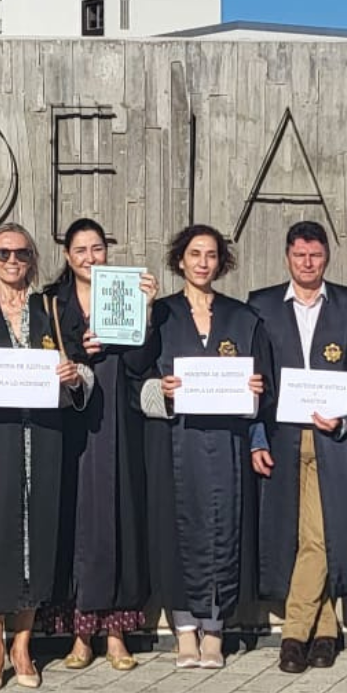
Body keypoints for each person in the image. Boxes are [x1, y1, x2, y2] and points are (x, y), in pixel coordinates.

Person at [0, 224, 91, 692]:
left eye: (23, 253)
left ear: (33, 259)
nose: (13, 261)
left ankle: (23, 645)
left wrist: (74, 378)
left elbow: (80, 370)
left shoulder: (51, 309)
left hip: (45, 438)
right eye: (4, 253)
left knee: (37, 541)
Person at [133, 224, 274, 670]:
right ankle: (184, 630)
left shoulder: (243, 318)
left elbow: (264, 386)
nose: (202, 262)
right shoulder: (161, 313)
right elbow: (137, 374)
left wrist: (255, 388)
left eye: (211, 255)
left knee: (224, 526)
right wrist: (164, 390)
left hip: (227, 443)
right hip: (176, 440)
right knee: (178, 528)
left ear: (221, 263)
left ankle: (215, 629)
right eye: (194, 254)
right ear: (180, 260)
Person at [246, 221, 347, 674]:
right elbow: (254, 377)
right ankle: (326, 630)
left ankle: (293, 634)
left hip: (331, 437)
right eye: (299, 255)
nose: (307, 263)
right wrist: (255, 436)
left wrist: (346, 416)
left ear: (326, 258)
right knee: (293, 536)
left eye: (315, 255)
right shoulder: (260, 307)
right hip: (281, 435)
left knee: (319, 535)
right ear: (287, 257)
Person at [44, 218, 152, 672]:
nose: (91, 257)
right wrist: (78, 349)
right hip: (72, 423)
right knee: (76, 523)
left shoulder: (127, 292)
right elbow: (42, 356)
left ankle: (117, 631)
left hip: (119, 423)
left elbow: (144, 361)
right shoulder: (50, 302)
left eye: (98, 248)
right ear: (68, 257)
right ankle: (79, 632)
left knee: (119, 519)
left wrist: (146, 309)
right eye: (81, 250)